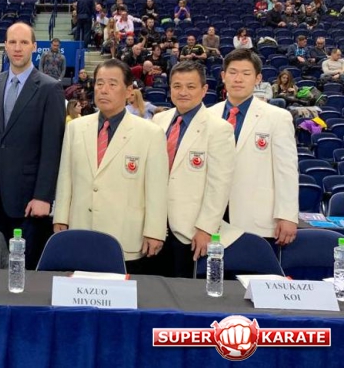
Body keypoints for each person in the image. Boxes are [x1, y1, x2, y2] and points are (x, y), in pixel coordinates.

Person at [53, 58, 169, 273]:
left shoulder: (150, 133)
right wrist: (60, 216)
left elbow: (157, 189)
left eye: (112, 84)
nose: (104, 90)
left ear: (129, 91)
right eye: (99, 83)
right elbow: (65, 176)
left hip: (125, 235)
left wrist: (154, 231)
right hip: (81, 228)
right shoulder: (76, 128)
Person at [0, 22, 65, 269]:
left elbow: (52, 148)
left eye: (24, 42)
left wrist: (43, 196)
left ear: (34, 47)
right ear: (5, 46)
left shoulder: (50, 88)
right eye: (12, 42)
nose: (17, 48)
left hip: (28, 202)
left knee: (23, 273)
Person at [152, 61, 239, 277]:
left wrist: (206, 228)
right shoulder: (158, 120)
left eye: (190, 87)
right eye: (177, 86)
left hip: (189, 230)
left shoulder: (219, 129)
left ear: (204, 89)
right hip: (154, 226)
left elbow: (219, 185)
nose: (183, 92)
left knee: (182, 288)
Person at [208, 49, 298, 245]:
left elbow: (287, 170)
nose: (238, 79)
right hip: (210, 218)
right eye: (232, 72)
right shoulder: (208, 115)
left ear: (258, 79)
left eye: (246, 73)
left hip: (256, 217)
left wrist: (287, 215)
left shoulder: (277, 117)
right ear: (223, 76)